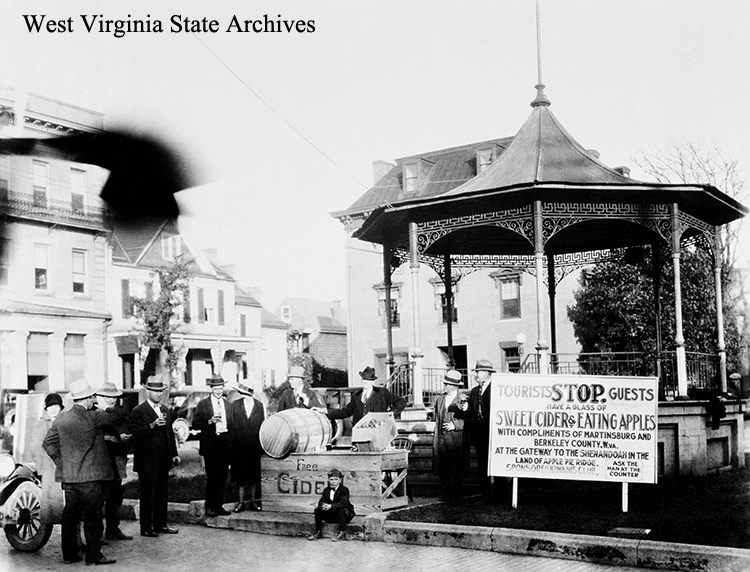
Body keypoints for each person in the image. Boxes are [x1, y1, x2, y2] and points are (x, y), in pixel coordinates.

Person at [42, 379, 116, 566]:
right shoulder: (94, 416)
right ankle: (93, 556)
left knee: (70, 517)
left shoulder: (62, 418)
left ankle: (69, 555)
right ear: (86, 399)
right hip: (91, 478)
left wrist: (62, 462)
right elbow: (117, 417)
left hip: (70, 478)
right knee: (93, 517)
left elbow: (48, 443)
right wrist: (105, 404)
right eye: (91, 396)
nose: (93, 399)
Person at [128, 375, 180, 537]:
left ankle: (160, 524)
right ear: (147, 391)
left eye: (160, 391)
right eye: (155, 391)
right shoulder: (139, 411)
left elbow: (169, 435)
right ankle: (146, 527)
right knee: (147, 494)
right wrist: (151, 425)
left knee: (162, 493)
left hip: (163, 460)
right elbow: (134, 433)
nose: (158, 394)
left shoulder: (165, 410)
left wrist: (174, 454)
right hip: (147, 461)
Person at [450, 359, 500, 502]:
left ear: (486, 373)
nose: (476, 375)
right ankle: (485, 495)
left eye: (478, 372)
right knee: (482, 465)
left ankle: (500, 495)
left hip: (494, 433)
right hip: (479, 435)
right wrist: (466, 408)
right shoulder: (474, 391)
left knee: (496, 463)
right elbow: (471, 411)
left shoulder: (497, 388)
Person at [191, 374, 233, 517]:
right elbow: (195, 424)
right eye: (216, 388)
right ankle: (210, 507)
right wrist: (209, 422)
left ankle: (219, 505)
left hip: (225, 444)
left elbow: (233, 425)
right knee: (212, 477)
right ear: (211, 389)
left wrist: (231, 443)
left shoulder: (228, 405)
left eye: (221, 388)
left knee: (222, 477)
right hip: (211, 445)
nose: (219, 391)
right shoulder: (203, 404)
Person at [96, 382, 133, 541]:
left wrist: (121, 438)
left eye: (114, 397)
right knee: (99, 498)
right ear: (99, 397)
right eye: (107, 397)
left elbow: (124, 426)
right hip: (101, 462)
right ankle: (97, 534)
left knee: (115, 496)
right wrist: (114, 438)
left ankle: (113, 529)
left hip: (117, 460)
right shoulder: (95, 413)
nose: (111, 400)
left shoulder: (117, 413)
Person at [326, 366, 406, 426]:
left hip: (378, 432)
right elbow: (345, 412)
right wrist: (326, 412)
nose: (365, 382)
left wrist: (391, 413)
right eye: (364, 379)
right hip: (360, 433)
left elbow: (401, 402)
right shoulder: (356, 396)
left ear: (372, 381)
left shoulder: (382, 393)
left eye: (368, 380)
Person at [230, 380, 265, 512]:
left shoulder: (259, 406)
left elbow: (262, 425)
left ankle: (252, 501)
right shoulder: (235, 405)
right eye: (240, 392)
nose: (242, 395)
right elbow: (232, 427)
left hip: (254, 446)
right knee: (240, 477)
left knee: (253, 476)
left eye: (244, 393)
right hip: (239, 447)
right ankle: (240, 502)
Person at [432, 370, 466, 500]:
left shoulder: (462, 399)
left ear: (453, 386)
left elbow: (469, 419)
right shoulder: (440, 398)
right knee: (443, 466)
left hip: (456, 440)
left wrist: (455, 425)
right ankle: (445, 493)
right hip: (441, 438)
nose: (444, 386)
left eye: (446, 384)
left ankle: (456, 495)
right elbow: (437, 415)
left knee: (456, 467)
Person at [307, 468, 355, 542]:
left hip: (344, 515)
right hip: (332, 514)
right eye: (331, 479)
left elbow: (344, 502)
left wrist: (331, 506)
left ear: (340, 480)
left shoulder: (344, 490)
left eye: (336, 479)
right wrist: (324, 506)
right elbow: (321, 501)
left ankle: (342, 532)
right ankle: (318, 532)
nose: (333, 482)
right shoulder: (326, 490)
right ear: (328, 480)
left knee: (341, 509)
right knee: (317, 510)